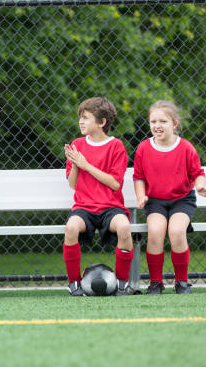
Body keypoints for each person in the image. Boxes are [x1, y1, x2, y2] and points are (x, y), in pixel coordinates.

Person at [133, 101, 206, 295]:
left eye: (163, 121)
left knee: (176, 232)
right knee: (155, 232)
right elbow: (138, 177)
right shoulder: (143, 148)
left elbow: (197, 173)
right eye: (153, 121)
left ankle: (182, 282)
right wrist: (141, 195)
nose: (157, 125)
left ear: (174, 124)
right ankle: (155, 283)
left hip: (182, 200)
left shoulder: (185, 147)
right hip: (155, 202)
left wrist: (199, 185)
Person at [63, 97, 133, 296]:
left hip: (110, 208)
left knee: (124, 227)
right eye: (80, 117)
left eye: (86, 118)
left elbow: (114, 183)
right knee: (70, 228)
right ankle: (74, 284)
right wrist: (75, 163)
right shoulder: (77, 145)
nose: (81, 122)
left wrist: (86, 165)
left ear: (102, 122)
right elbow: (72, 184)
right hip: (83, 208)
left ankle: (122, 283)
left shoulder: (116, 146)